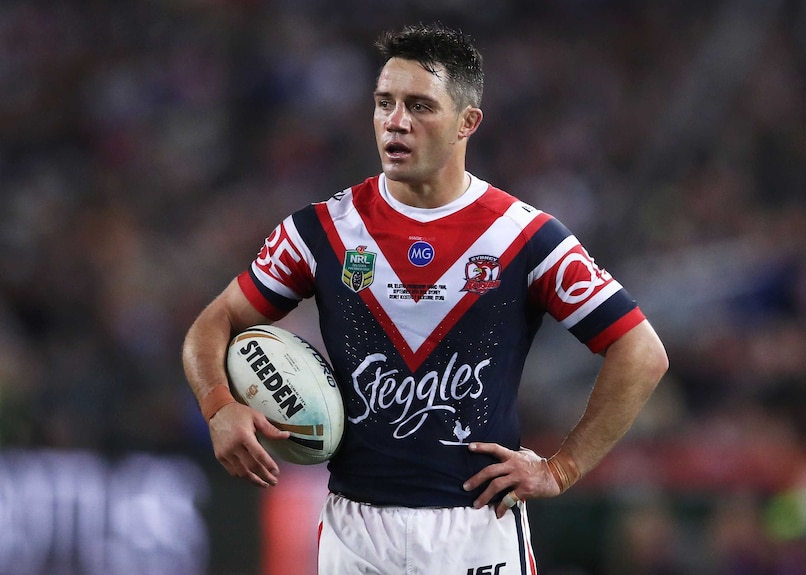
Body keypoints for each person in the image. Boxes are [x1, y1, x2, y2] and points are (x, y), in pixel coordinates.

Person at [182, 22, 668, 574]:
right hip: (356, 528)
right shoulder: (321, 230)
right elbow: (215, 321)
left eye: (419, 106)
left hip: (478, 528)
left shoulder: (525, 238)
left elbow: (642, 352)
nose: (396, 122)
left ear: (468, 122)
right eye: (384, 103)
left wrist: (562, 469)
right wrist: (219, 406)